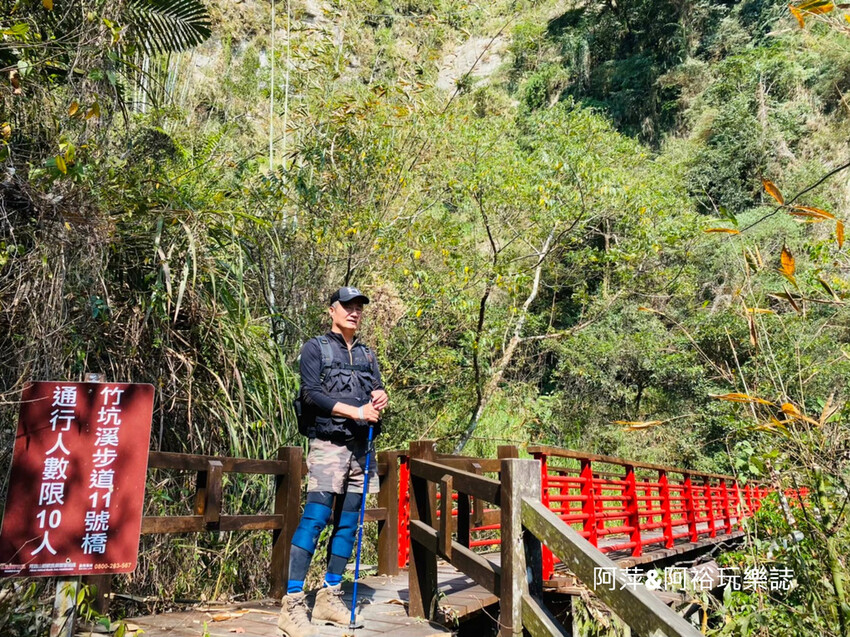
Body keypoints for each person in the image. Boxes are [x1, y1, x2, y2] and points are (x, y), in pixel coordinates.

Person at [278, 286, 389, 637]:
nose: (354, 312)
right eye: (347, 306)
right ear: (332, 310)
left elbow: (376, 392)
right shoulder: (316, 348)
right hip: (328, 445)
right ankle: (293, 604)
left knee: (349, 523)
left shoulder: (369, 356)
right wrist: (355, 409)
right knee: (316, 518)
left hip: (360, 448)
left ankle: (329, 595)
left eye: (358, 307)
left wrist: (380, 397)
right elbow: (311, 393)